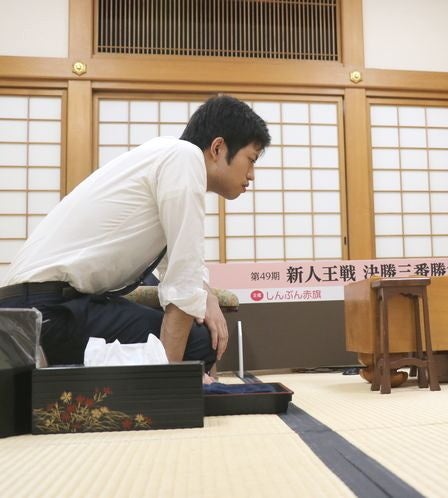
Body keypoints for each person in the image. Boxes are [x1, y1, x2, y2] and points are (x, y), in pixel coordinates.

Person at [0, 95, 271, 377]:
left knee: (190, 324)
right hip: (43, 314)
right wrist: (170, 380)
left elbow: (178, 265)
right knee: (200, 342)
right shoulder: (185, 158)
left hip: (25, 307)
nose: (251, 175)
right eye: (250, 160)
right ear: (217, 148)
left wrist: (208, 297)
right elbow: (183, 285)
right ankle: (155, 386)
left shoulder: (165, 154)